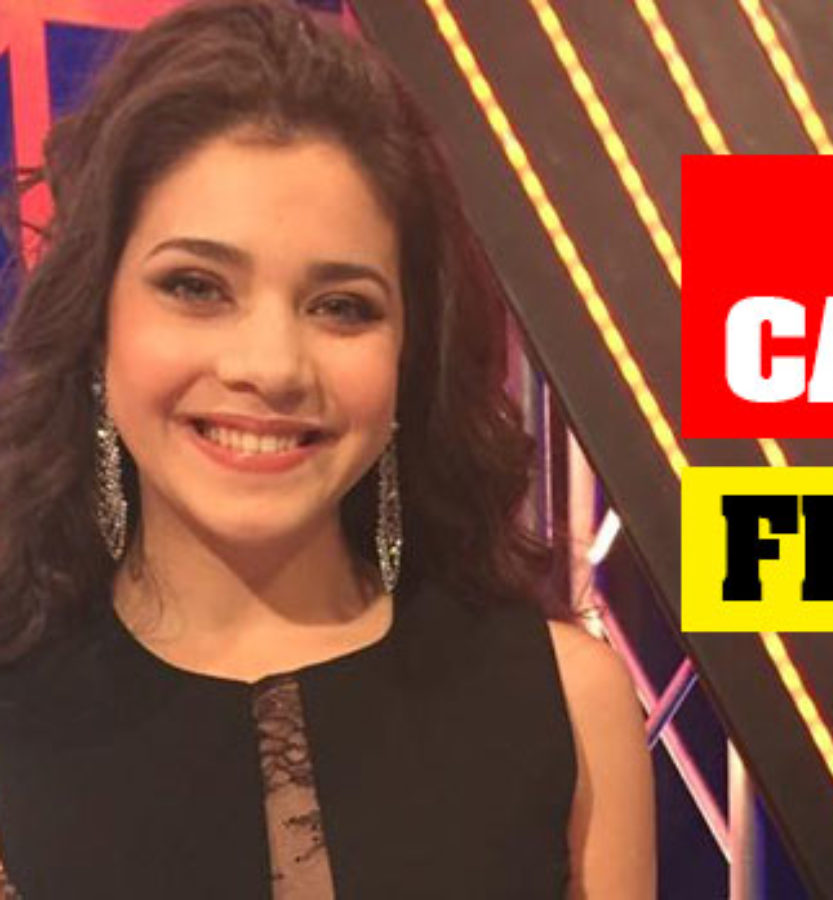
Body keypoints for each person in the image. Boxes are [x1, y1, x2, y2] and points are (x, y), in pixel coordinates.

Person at [0, 0, 655, 896]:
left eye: (341, 306)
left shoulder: (570, 702)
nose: (271, 367)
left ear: (409, 352)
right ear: (97, 321)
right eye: (196, 287)